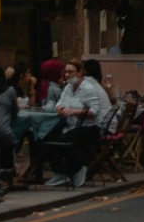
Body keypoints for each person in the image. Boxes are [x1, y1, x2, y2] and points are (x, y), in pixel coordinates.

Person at [39, 58, 113, 188]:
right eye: (66, 72)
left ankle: (79, 166)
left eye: (71, 72)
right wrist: (60, 108)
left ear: (79, 73)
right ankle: (60, 172)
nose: (67, 75)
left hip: (89, 128)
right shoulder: (68, 87)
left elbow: (95, 111)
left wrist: (73, 111)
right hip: (70, 125)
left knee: (64, 141)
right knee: (45, 137)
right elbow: (60, 102)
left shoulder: (88, 89)